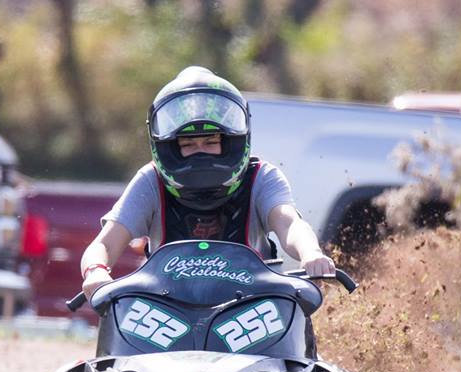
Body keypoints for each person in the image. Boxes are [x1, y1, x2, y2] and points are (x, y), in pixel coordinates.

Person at [80, 66, 335, 300]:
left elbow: (289, 224)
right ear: (170, 148)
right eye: (189, 144)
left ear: (231, 142)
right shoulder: (150, 180)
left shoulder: (263, 177)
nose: (200, 151)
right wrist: (95, 272)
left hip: (255, 310)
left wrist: (310, 254)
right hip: (165, 310)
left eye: (210, 142)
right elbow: (104, 243)